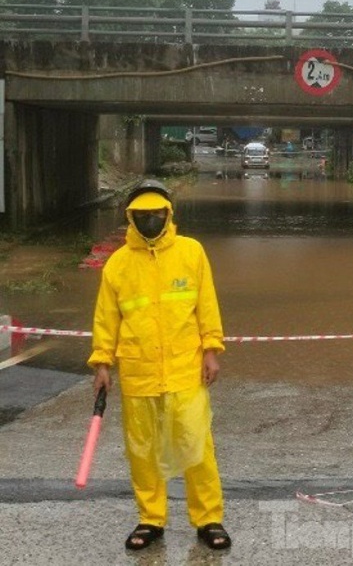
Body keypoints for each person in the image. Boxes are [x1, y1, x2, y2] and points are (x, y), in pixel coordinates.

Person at [88, 179, 231, 552]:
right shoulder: (117, 264)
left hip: (186, 368)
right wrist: (102, 362)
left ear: (169, 214)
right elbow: (107, 318)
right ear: (130, 218)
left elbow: (206, 304)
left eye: (156, 214)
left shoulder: (191, 252)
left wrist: (211, 350)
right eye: (142, 215)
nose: (150, 220)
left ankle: (208, 518)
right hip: (138, 371)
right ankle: (151, 519)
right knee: (143, 450)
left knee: (196, 445)